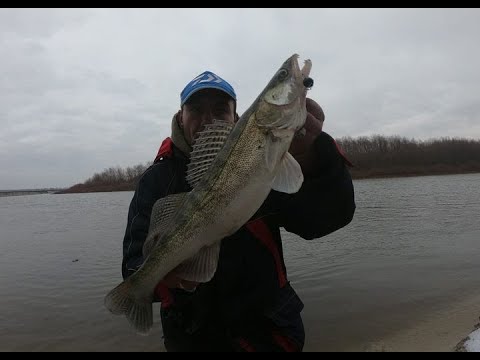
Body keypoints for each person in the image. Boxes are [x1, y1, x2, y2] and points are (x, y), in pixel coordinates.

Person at [121, 70, 356, 352]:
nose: (207, 120)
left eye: (220, 109)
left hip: (268, 334)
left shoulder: (263, 160)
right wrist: (158, 280)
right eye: (195, 109)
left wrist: (316, 157)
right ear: (180, 116)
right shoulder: (156, 180)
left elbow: (323, 220)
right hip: (193, 339)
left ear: (235, 117)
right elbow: (133, 263)